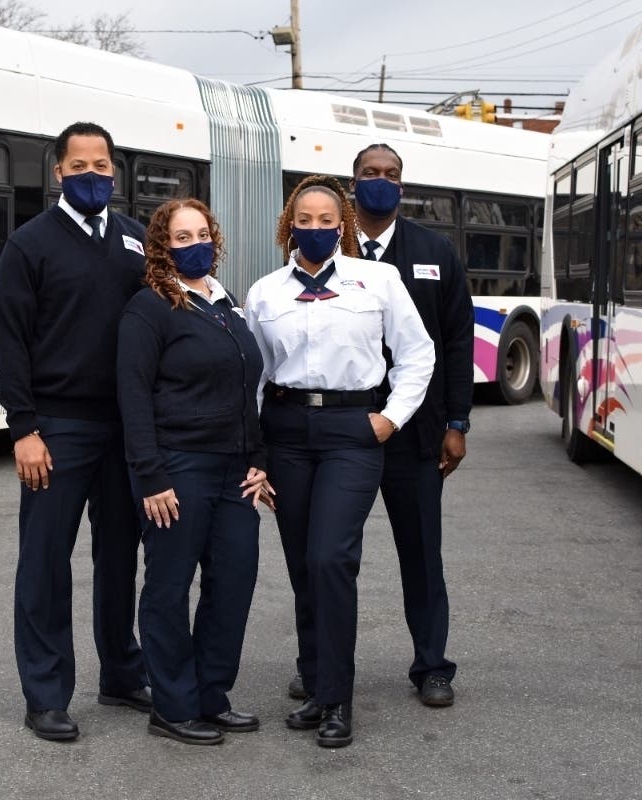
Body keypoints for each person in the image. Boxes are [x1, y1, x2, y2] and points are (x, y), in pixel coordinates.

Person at [244, 175, 436, 748]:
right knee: (303, 564)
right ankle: (316, 680)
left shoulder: (378, 279)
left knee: (331, 558)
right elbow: (251, 375)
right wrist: (254, 451)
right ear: (289, 224)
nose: (317, 228)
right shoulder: (265, 292)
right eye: (306, 218)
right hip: (285, 433)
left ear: (343, 224)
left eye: (328, 220)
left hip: (353, 431)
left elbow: (416, 352)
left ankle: (337, 700)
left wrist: (390, 418)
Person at [0, 121, 150, 742]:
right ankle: (47, 693)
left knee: (121, 556)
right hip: (56, 429)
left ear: (115, 171)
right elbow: (11, 340)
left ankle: (122, 671)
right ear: (58, 171)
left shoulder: (137, 241)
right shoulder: (29, 244)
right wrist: (23, 428)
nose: (92, 174)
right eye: (79, 165)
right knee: (44, 564)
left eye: (102, 165)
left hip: (127, 429)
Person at [117, 199, 271, 746]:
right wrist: (151, 475)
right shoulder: (149, 309)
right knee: (169, 587)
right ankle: (173, 704)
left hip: (236, 473)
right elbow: (133, 398)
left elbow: (248, 391)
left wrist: (260, 460)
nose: (195, 244)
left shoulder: (227, 307)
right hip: (177, 468)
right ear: (163, 247)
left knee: (233, 582)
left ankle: (212, 695)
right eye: (182, 237)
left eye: (202, 234)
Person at [351, 142, 474, 707]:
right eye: (370, 173)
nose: (381, 181)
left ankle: (432, 666)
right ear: (353, 182)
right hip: (343, 433)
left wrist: (457, 421)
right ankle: (319, 663)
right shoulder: (322, 242)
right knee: (328, 554)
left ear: (402, 184)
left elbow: (455, 338)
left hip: (417, 433)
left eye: (391, 174)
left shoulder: (434, 250)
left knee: (422, 554)